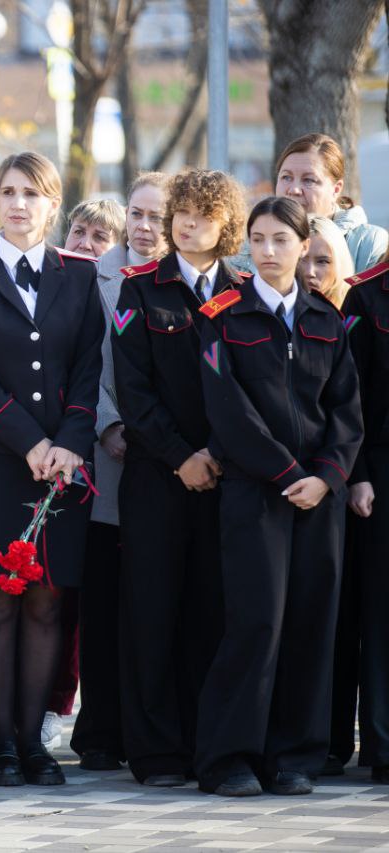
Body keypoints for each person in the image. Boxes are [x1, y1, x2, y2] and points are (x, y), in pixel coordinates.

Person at [195, 196, 362, 797]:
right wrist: (287, 472)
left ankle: (294, 755)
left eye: (281, 240)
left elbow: (346, 412)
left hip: (320, 498)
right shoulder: (221, 316)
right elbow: (228, 411)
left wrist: (326, 476)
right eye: (259, 239)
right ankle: (229, 758)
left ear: (303, 246)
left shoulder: (327, 319)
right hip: (256, 493)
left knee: (310, 623)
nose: (268, 251)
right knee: (257, 622)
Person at [0, 151, 103, 787]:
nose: (17, 204)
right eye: (8, 191)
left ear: (52, 203)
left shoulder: (81, 275)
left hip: (64, 462)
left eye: (31, 193)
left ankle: (34, 742)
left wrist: (68, 443)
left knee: (47, 602)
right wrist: (30, 442)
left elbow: (90, 366)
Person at [110, 169, 248, 787]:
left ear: (226, 225)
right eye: (181, 213)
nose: (188, 224)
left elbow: (253, 386)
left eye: (203, 215)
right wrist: (180, 456)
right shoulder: (141, 288)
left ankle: (206, 742)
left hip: (227, 475)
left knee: (213, 609)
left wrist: (217, 453)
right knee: (152, 610)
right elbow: (134, 390)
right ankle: (157, 751)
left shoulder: (242, 291)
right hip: (157, 476)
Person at [43, 194, 127, 758]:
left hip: (115, 465)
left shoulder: (122, 288)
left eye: (100, 236)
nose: (86, 244)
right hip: (62, 454)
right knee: (65, 596)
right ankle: (54, 707)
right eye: (79, 231)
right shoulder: (57, 285)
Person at [341, 252, 389, 783]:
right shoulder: (367, 294)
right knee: (382, 611)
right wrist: (356, 473)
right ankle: (384, 745)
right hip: (380, 468)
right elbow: (347, 395)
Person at [274, 134, 387, 272]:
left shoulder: (369, 244)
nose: (294, 190)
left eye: (309, 180)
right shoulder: (257, 242)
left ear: (336, 189)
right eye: (286, 177)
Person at [299, 216, 354, 309]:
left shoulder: (356, 311)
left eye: (322, 261)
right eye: (301, 259)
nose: (309, 272)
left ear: (340, 265)